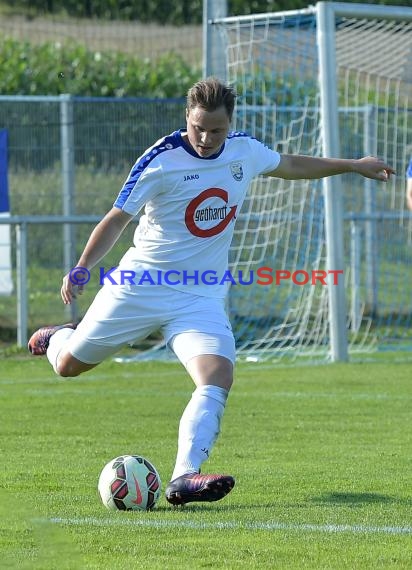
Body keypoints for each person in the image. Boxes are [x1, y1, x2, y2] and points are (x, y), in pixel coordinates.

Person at [28, 77, 395, 507]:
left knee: (217, 374)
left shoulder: (244, 150)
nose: (205, 138)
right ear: (188, 116)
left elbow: (291, 165)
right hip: (141, 286)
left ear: (230, 123)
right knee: (69, 366)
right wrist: (82, 267)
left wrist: (352, 165)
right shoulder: (160, 160)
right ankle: (59, 337)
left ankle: (185, 476)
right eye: (198, 127)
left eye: (215, 130)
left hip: (199, 296)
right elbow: (116, 218)